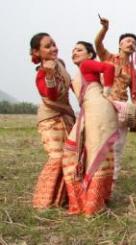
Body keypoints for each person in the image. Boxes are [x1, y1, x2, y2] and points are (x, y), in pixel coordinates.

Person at [62, 41, 118, 216]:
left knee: (93, 154)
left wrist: (107, 92)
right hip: (89, 111)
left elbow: (109, 68)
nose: (74, 52)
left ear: (90, 55)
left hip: (98, 109)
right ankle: (85, 200)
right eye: (73, 50)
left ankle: (92, 205)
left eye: (79, 49)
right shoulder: (78, 74)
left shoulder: (87, 65)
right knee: (74, 152)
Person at [30, 33, 75, 209]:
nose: (54, 48)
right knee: (56, 158)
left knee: (69, 158)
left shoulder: (61, 65)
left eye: (54, 44)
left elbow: (70, 87)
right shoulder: (42, 73)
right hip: (50, 119)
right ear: (37, 52)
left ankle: (62, 199)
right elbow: (51, 96)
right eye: (48, 46)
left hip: (66, 117)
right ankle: (43, 202)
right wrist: (49, 76)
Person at [95, 16, 136, 186]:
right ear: (120, 45)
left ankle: (112, 179)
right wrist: (105, 28)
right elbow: (97, 43)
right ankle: (94, 174)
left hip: (122, 108)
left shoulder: (133, 72)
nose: (131, 43)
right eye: (127, 41)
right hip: (104, 103)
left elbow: (134, 95)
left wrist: (134, 115)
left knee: (118, 145)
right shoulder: (108, 58)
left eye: (134, 42)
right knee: (99, 139)